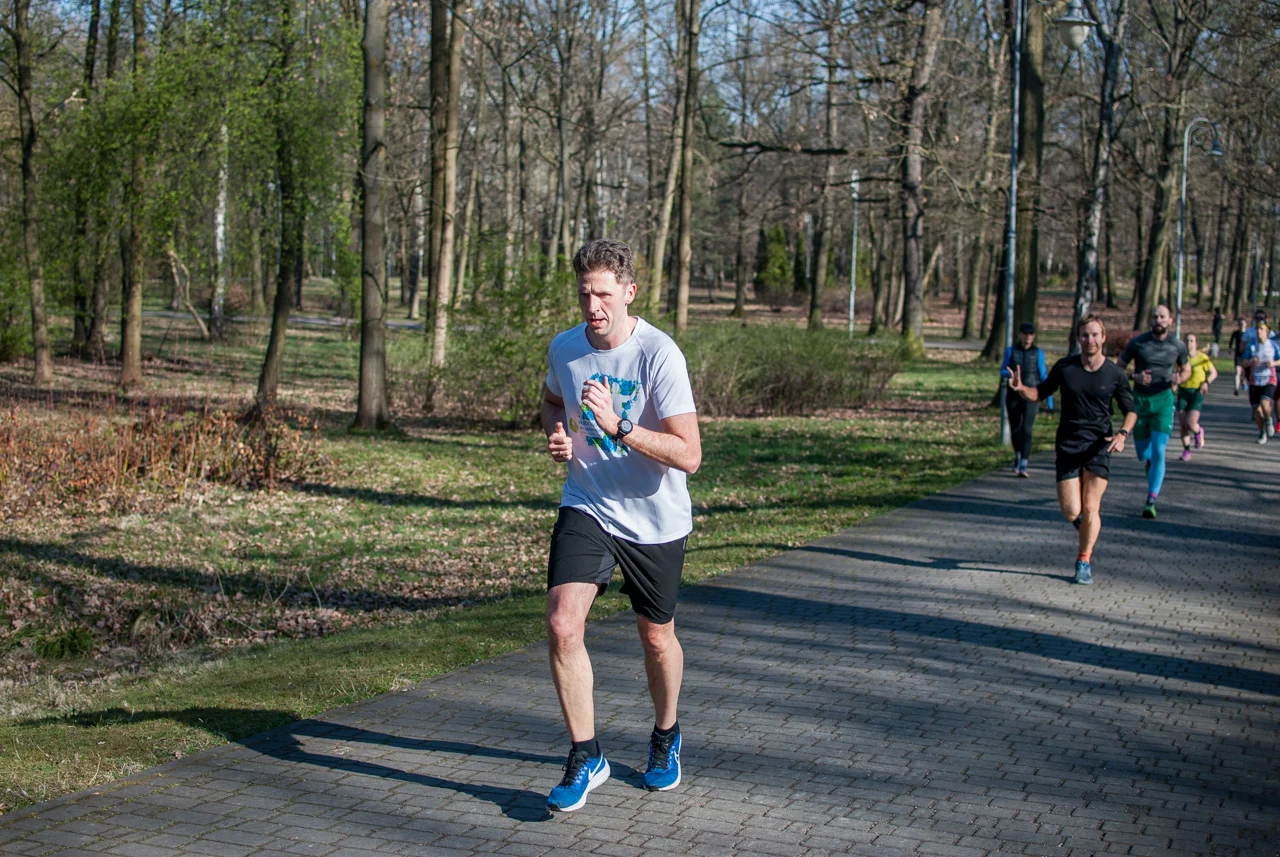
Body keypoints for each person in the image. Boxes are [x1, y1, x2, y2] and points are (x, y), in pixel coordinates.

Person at [540, 239, 701, 812]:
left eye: (604, 294)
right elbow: (552, 400)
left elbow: (689, 455)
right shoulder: (565, 348)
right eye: (584, 294)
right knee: (562, 624)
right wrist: (558, 434)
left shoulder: (660, 355)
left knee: (656, 636)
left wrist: (619, 424)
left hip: (655, 518)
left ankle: (666, 736)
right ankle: (586, 754)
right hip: (588, 501)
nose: (593, 306)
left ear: (629, 293)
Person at [1008, 314, 1136, 585]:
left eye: (1094, 334)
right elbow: (1039, 393)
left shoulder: (1114, 373)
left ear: (1103, 337)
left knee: (1091, 507)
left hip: (1098, 446)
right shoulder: (1065, 368)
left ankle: (1083, 560)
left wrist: (1123, 434)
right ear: (1078, 338)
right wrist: (1021, 389)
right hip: (1067, 445)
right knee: (1070, 511)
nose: (1089, 340)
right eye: (1084, 335)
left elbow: (1131, 411)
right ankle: (1087, 530)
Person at [1117, 305, 1189, 519]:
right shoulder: (1138, 343)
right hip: (1140, 402)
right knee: (1143, 454)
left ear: (1170, 321)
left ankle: (1151, 500)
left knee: (1159, 451)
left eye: (1162, 317)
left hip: (1164, 401)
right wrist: (1134, 377)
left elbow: (1186, 369)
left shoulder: (1177, 345)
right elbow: (1118, 367)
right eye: (1155, 316)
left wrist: (1180, 378)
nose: (1158, 320)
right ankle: (1151, 465)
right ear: (1150, 320)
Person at [1000, 321, 1052, 477]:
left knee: (1027, 429)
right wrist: (1010, 375)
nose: (1027, 337)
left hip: (1031, 395)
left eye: (1030, 334)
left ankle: (1024, 463)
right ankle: (1017, 455)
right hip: (1013, 395)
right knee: (1015, 428)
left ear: (1034, 336)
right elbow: (1003, 370)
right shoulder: (1011, 351)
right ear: (1019, 335)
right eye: (1025, 333)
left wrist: (1048, 399)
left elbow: (1043, 376)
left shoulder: (1038, 353)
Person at [1176, 333, 1217, 461]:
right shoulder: (1180, 359)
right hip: (1183, 391)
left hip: (1196, 392)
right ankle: (1186, 451)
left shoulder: (1202, 358)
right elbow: (1176, 374)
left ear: (1196, 344)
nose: (1189, 344)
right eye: (1187, 341)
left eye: (1192, 341)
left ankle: (1198, 432)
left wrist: (1206, 382)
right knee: (1183, 424)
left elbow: (1213, 373)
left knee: (1191, 423)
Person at [1242, 319, 1279, 444]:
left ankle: (1268, 420)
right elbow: (1244, 362)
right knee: (1257, 410)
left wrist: (1273, 363)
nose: (1258, 331)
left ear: (1267, 332)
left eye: (1261, 329)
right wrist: (1252, 362)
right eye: (1257, 328)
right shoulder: (1251, 346)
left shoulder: (1273, 345)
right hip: (1255, 380)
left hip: (1270, 378)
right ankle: (1262, 432)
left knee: (1264, 403)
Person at [1229, 318, 1249, 394]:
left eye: (1243, 324)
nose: (1241, 325)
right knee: (1237, 372)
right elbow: (1231, 341)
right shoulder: (1236, 333)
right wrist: (1230, 349)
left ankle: (1244, 382)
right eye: (1240, 324)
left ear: (1246, 324)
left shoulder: (1247, 333)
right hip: (1238, 355)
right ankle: (1236, 388)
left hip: (1245, 355)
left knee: (1244, 372)